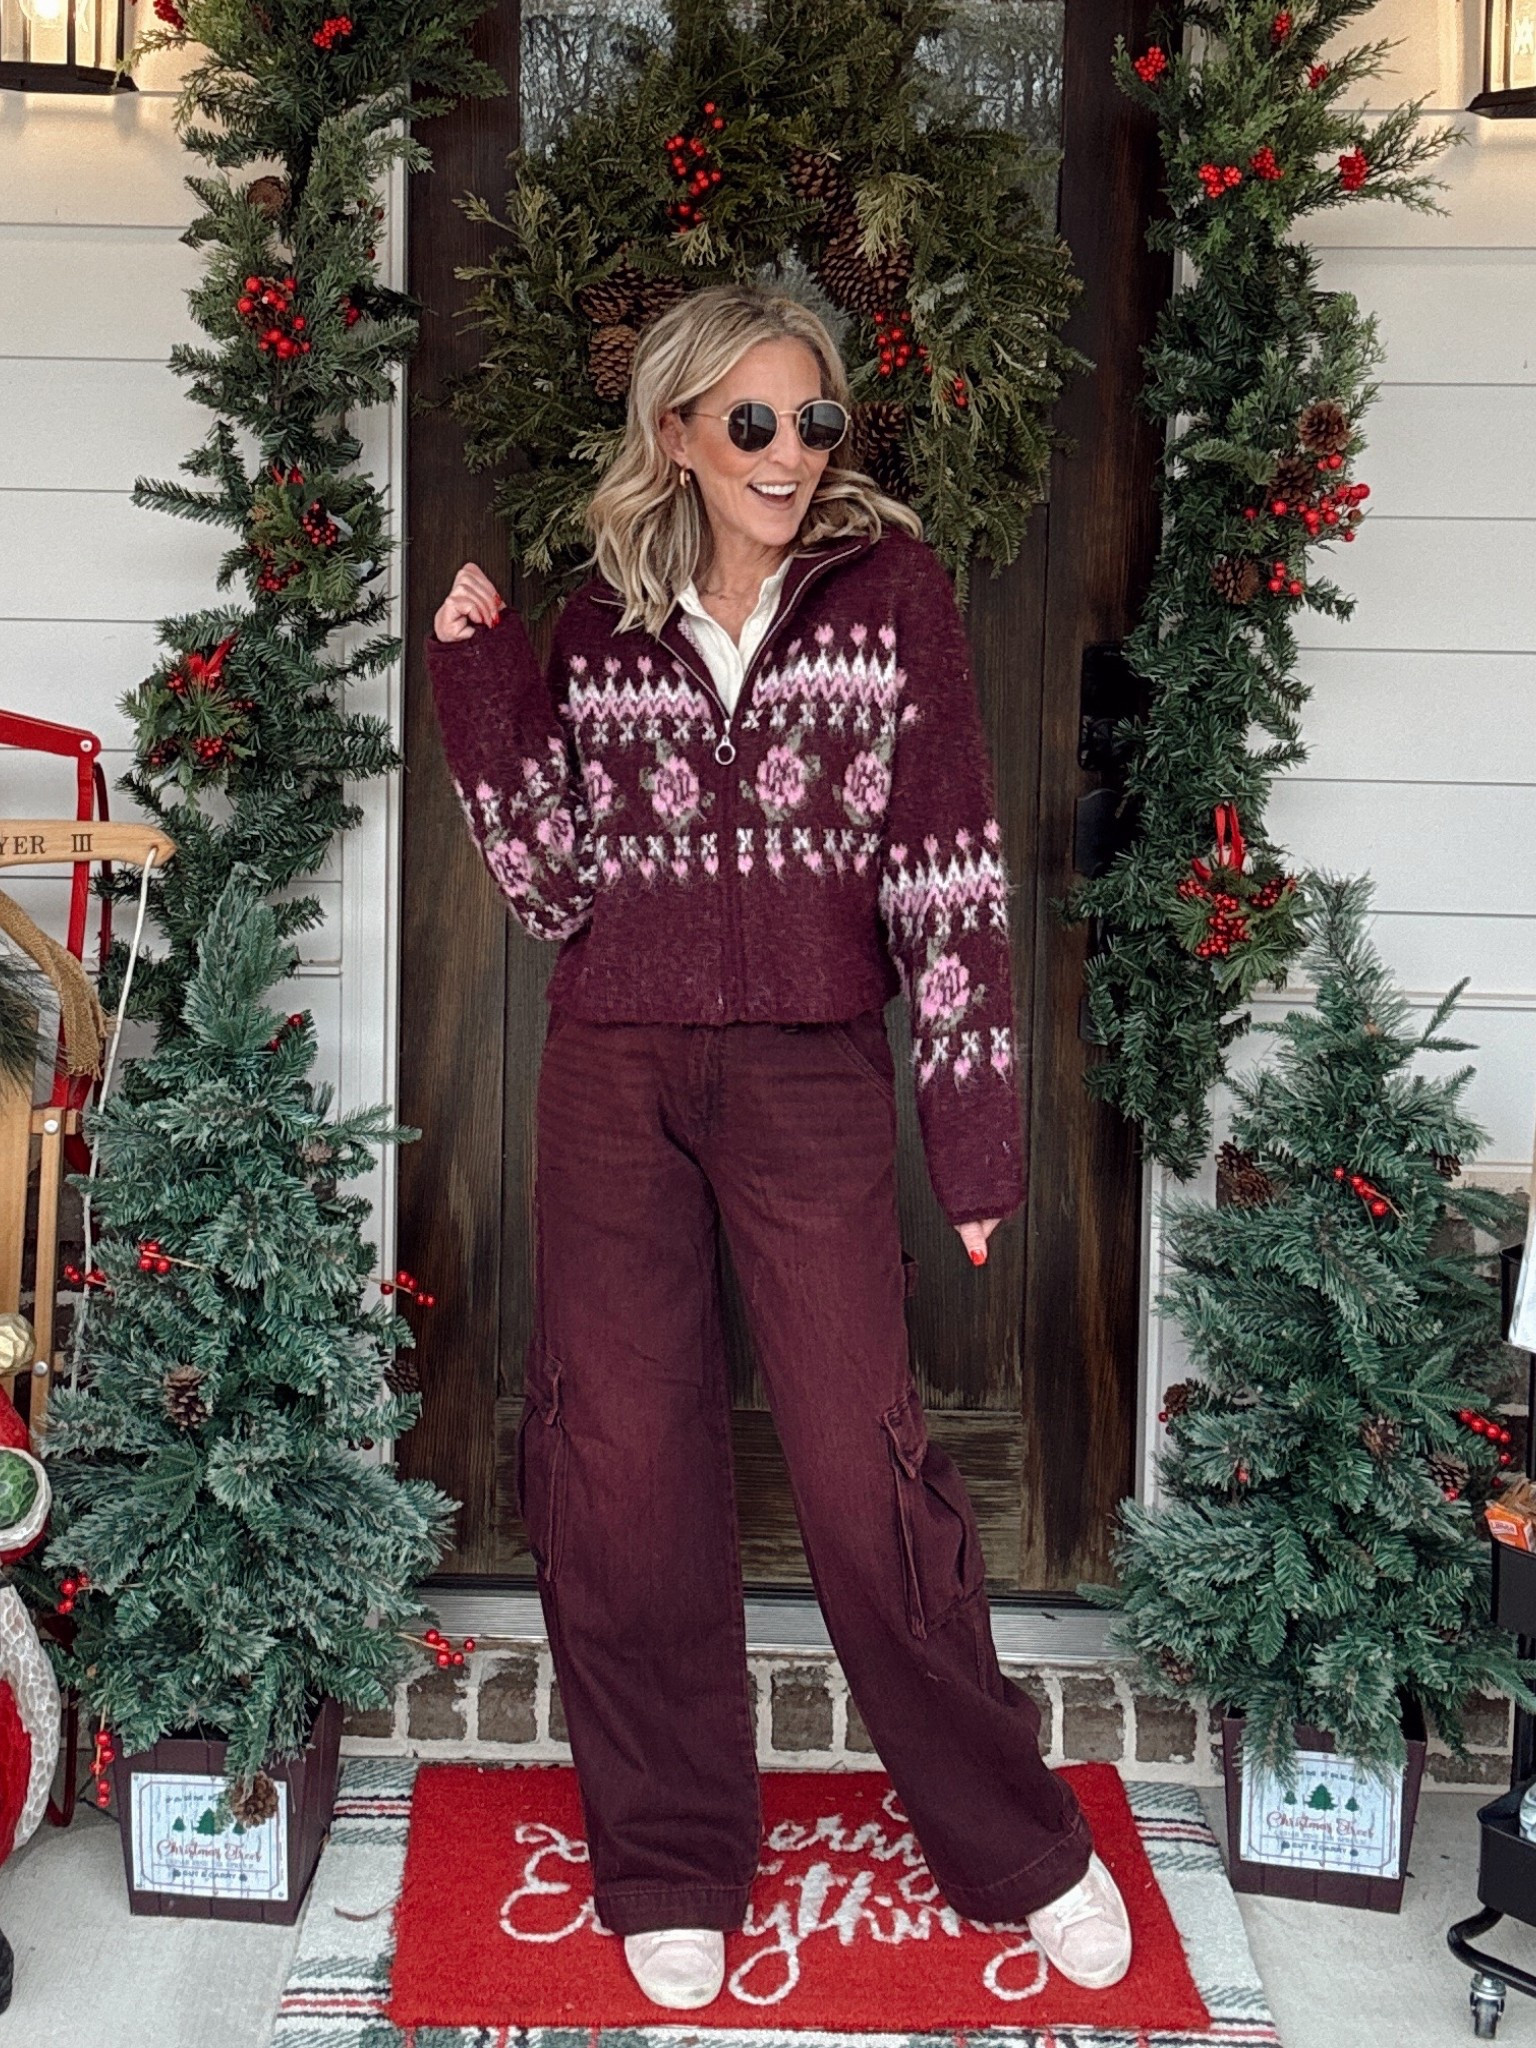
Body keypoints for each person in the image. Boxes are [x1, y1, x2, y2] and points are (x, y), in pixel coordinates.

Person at [425, 283, 1132, 2008]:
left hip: (811, 1078)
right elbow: (552, 891)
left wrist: (975, 1145)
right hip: (613, 1075)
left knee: (862, 1467)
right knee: (624, 1464)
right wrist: (481, 685)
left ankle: (1019, 1846)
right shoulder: (597, 620)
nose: (790, 453)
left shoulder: (891, 598)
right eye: (752, 421)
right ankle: (669, 1854)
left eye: (814, 421)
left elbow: (947, 871)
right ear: (676, 431)